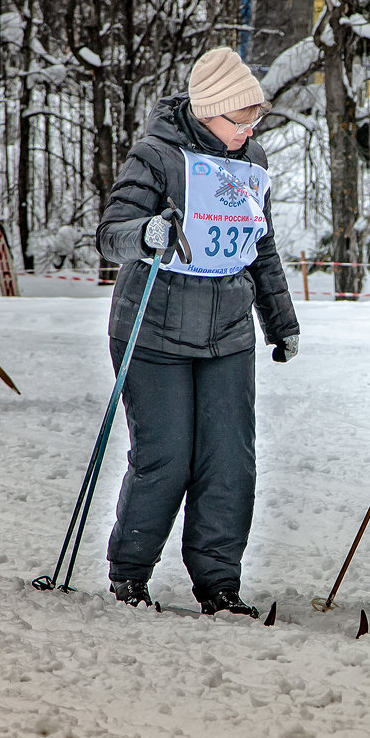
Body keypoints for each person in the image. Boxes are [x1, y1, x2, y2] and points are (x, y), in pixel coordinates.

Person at [95, 46, 300, 617]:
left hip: (229, 332)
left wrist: (280, 323)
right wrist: (147, 232)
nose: (248, 129)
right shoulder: (156, 155)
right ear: (208, 111)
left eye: (254, 119)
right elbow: (111, 233)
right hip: (154, 328)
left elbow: (260, 246)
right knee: (167, 457)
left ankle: (218, 584)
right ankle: (130, 574)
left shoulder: (252, 159)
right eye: (240, 119)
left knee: (230, 461)